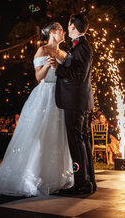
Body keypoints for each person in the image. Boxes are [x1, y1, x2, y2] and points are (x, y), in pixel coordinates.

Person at [0, 21, 73, 197]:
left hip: (61, 98)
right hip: (45, 96)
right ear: (52, 33)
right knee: (40, 135)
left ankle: (56, 177)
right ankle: (35, 176)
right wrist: (48, 65)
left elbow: (68, 76)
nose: (64, 33)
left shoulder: (64, 53)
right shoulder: (42, 50)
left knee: (57, 136)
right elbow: (39, 77)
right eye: (61, 30)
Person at [52, 13, 96, 194]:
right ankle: (88, 181)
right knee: (82, 141)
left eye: (68, 24)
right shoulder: (79, 47)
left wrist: (58, 68)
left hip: (76, 103)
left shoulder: (82, 48)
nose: (66, 26)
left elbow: (78, 76)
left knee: (77, 142)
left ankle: (82, 184)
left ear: (72, 26)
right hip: (78, 102)